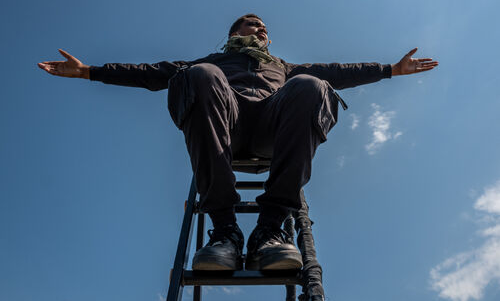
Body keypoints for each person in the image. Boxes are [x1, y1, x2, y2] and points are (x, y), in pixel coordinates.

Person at [38, 14, 438, 272]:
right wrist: (89, 72)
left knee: (312, 84)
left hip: (270, 129)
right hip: (223, 127)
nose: (260, 29)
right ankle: (225, 231)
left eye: (263, 27)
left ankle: (270, 229)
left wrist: (389, 70)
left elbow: (339, 70)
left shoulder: (282, 66)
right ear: (234, 33)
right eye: (251, 24)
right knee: (201, 75)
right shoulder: (208, 62)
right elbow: (150, 73)